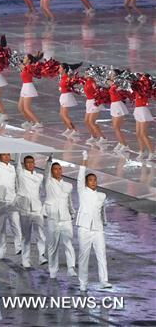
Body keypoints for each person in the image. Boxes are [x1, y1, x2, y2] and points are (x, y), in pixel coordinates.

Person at [76, 151, 111, 292]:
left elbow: (102, 212)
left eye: (95, 180)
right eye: (91, 180)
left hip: (98, 229)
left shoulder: (102, 195)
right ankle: (83, 283)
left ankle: (104, 281)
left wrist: (104, 223)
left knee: (102, 255)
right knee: (84, 257)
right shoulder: (82, 191)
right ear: (86, 182)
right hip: (84, 228)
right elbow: (80, 176)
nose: (93, 182)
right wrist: (85, 159)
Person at [43, 155, 76, 279]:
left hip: (66, 218)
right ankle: (53, 270)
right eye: (55, 169)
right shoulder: (48, 183)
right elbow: (46, 173)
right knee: (53, 246)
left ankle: (71, 268)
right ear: (52, 172)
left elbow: (69, 201)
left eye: (59, 169)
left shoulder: (68, 186)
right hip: (53, 218)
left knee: (68, 243)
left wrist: (72, 213)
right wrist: (49, 161)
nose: (58, 171)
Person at [15, 155, 47, 268]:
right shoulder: (21, 174)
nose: (30, 164)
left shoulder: (39, 176)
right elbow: (17, 164)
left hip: (37, 209)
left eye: (32, 162)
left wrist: (49, 162)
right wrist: (18, 151)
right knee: (26, 237)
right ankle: (25, 260)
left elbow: (47, 176)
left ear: (34, 163)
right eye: (27, 162)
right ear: (24, 164)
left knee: (41, 234)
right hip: (24, 210)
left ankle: (42, 256)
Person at [0, 153, 22, 259]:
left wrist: (19, 151)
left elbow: (17, 164)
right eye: (4, 155)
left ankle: (19, 247)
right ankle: (1, 252)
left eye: (8, 155)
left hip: (12, 199)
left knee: (16, 224)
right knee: (0, 227)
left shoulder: (12, 168)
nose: (7, 157)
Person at [18, 53, 44, 131]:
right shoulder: (25, 67)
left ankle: (38, 122)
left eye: (25, 58)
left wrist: (24, 68)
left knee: (26, 108)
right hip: (24, 87)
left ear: (29, 61)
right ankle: (29, 121)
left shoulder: (30, 67)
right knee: (20, 107)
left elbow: (30, 71)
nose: (24, 59)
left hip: (28, 87)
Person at [107, 75, 130, 154]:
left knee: (116, 127)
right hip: (114, 105)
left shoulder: (117, 85)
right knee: (114, 127)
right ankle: (120, 142)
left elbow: (120, 87)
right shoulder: (113, 85)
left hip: (117, 105)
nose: (109, 78)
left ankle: (125, 145)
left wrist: (114, 81)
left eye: (112, 76)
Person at [83, 75, 108, 148]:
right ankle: (94, 136)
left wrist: (98, 100)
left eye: (88, 72)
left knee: (91, 121)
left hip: (94, 102)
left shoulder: (93, 82)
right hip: (89, 102)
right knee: (86, 121)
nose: (86, 73)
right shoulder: (86, 81)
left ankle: (103, 138)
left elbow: (98, 90)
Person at [132, 79, 154, 162]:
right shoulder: (137, 90)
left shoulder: (144, 91)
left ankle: (152, 152)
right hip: (137, 110)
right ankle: (142, 151)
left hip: (143, 111)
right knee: (138, 133)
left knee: (143, 133)